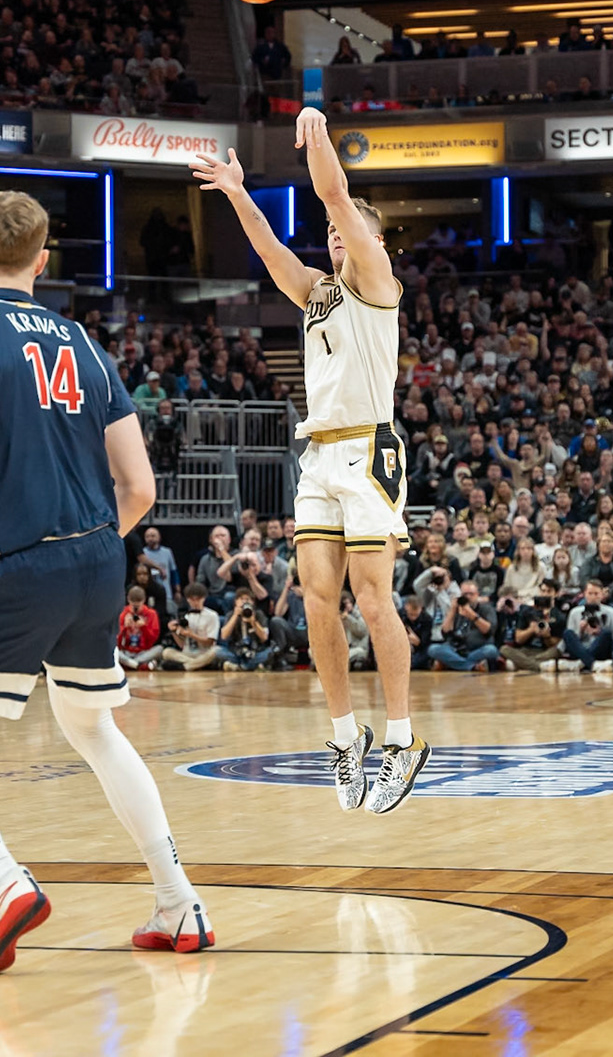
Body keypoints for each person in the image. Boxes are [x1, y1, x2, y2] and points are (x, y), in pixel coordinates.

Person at [0, 190, 212, 975]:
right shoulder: (86, 348)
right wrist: (86, 554)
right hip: (100, 557)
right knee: (93, 729)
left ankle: (3, 881)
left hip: (19, 560)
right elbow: (141, 490)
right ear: (43, 258)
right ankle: (179, 902)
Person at [193, 108, 430, 816]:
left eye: (344, 229)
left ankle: (403, 738)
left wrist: (318, 136)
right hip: (319, 456)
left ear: (370, 238)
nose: (333, 236)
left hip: (368, 451)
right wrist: (238, 192)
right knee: (317, 601)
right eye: (329, 234)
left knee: (373, 599)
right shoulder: (317, 292)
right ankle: (343, 737)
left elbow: (333, 195)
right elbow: (271, 252)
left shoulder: (377, 278)